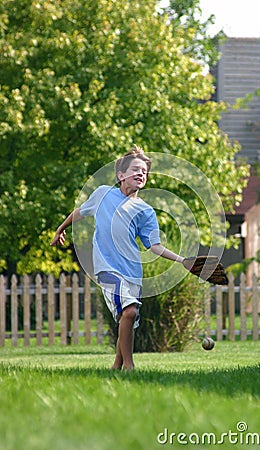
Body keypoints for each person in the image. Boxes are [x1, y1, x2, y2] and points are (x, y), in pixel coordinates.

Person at [50, 145, 186, 371]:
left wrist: (182, 260)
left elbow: (154, 246)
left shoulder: (146, 211)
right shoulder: (103, 194)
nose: (141, 174)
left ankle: (116, 366)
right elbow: (80, 212)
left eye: (144, 171)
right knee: (129, 311)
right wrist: (60, 228)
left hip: (133, 272)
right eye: (135, 169)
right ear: (121, 175)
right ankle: (130, 367)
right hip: (107, 268)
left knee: (128, 318)